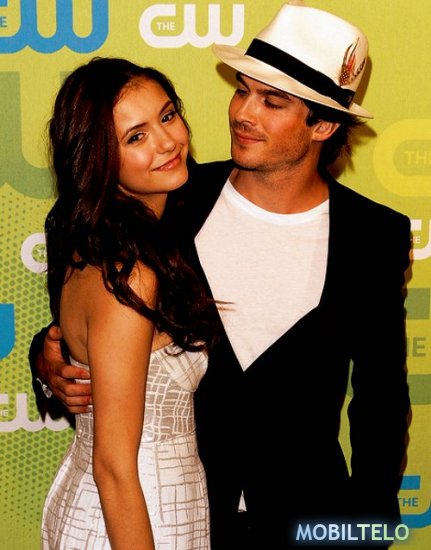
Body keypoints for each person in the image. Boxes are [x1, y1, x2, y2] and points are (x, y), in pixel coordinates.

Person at [32, 3, 411, 548]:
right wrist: (49, 356)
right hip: (179, 514)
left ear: (323, 124)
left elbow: (381, 402)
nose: (242, 113)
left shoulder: (373, 234)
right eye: (242, 90)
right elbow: (97, 311)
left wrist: (365, 532)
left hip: (308, 521)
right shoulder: (169, 199)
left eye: (272, 101)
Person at [38, 56, 219, 549]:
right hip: (134, 515)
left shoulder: (103, 241)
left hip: (149, 503)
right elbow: (115, 467)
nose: (167, 142)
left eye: (167, 116)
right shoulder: (128, 274)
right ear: (97, 158)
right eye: (136, 137)